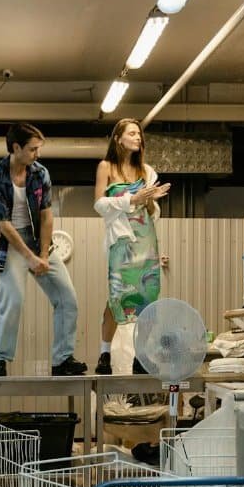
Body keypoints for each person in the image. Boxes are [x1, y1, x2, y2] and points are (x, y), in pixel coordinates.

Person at [0, 123, 87, 377]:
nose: (37, 154)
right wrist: (28, 258)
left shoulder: (40, 173)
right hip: (11, 244)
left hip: (40, 242)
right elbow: (4, 225)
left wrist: (42, 255)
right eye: (32, 149)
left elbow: (47, 215)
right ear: (16, 148)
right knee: (13, 299)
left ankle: (62, 360)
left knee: (67, 298)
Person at [92, 118, 170, 375]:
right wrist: (131, 199)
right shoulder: (106, 167)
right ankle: (104, 354)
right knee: (118, 295)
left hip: (145, 238)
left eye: (139, 134)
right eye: (133, 133)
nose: (138, 138)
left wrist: (149, 200)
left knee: (148, 296)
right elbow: (99, 205)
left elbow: (150, 211)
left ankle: (141, 355)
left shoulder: (146, 171)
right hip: (121, 241)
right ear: (118, 138)